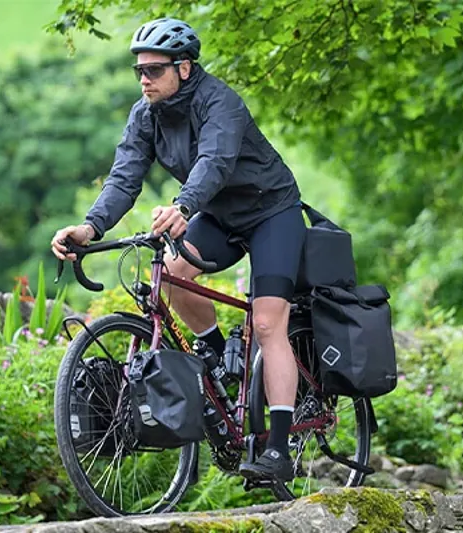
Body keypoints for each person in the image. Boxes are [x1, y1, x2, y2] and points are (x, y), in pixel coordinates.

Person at [50, 17, 306, 483]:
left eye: (154, 70)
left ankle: (279, 449)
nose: (144, 79)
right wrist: (90, 226)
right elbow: (124, 177)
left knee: (268, 322)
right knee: (170, 275)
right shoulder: (145, 115)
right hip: (219, 216)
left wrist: (184, 205)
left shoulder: (220, 102)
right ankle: (215, 360)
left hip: (271, 212)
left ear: (184, 68)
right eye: (139, 72)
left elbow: (216, 159)